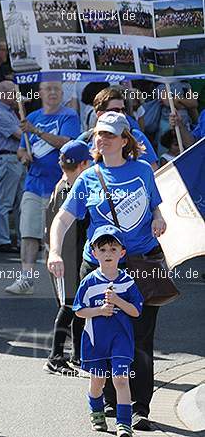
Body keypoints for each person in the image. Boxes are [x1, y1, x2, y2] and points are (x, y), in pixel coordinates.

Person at [48, 112, 167, 430]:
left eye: (111, 134)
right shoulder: (88, 177)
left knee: (140, 338)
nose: (103, 139)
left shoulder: (142, 170)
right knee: (104, 335)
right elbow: (62, 219)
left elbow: (154, 204)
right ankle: (115, 403)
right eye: (100, 134)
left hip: (141, 264)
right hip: (99, 267)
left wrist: (158, 218)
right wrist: (55, 251)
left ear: (125, 140)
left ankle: (140, 407)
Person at [5, 81, 80, 295]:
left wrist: (35, 131)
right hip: (33, 184)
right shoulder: (33, 117)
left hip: (59, 186)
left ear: (62, 92)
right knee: (28, 233)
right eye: (48, 89)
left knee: (56, 236)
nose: (53, 92)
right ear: (40, 93)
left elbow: (65, 143)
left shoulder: (69, 116)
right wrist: (24, 156)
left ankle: (59, 279)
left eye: (56, 88)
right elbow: (21, 150)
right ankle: (26, 278)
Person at [73, 225, 144, 437]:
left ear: (122, 253)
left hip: (121, 339)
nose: (108, 254)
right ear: (94, 253)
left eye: (113, 249)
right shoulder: (89, 282)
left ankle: (124, 424)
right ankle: (96, 412)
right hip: (96, 341)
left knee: (121, 379)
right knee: (98, 381)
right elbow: (79, 311)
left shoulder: (127, 282)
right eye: (102, 250)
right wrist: (100, 310)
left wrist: (118, 300)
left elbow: (136, 311)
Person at [43, 140, 92, 375]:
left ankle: (77, 354)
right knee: (68, 305)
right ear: (83, 164)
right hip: (64, 256)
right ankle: (55, 356)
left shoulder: (66, 183)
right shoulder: (67, 190)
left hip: (73, 254)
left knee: (78, 303)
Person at [78, 86, 158, 170]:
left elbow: (154, 171)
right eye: (115, 110)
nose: (121, 114)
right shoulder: (86, 139)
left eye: (123, 110)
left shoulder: (136, 136)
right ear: (100, 114)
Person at [0, 81, 24, 253]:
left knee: (21, 203)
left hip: (16, 159)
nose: (16, 95)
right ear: (2, 94)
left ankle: (22, 239)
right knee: (5, 202)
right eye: (12, 92)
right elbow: (20, 135)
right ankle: (2, 240)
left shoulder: (10, 112)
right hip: (7, 158)